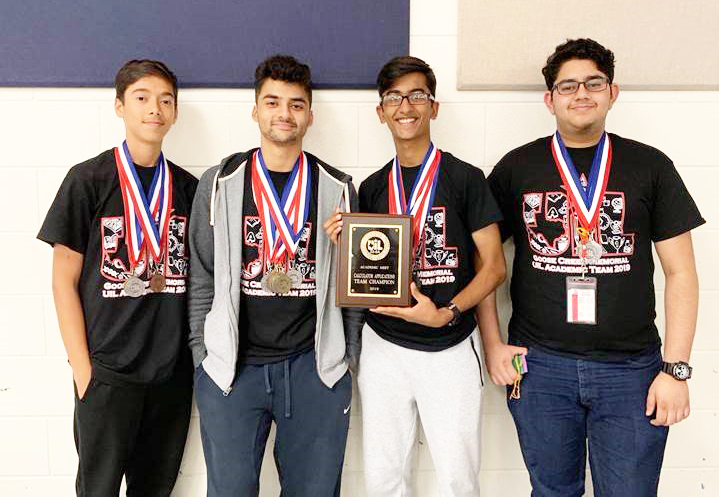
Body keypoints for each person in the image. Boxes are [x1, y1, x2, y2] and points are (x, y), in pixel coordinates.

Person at [482, 38, 704, 496]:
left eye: (593, 83)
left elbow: (682, 273)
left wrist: (676, 370)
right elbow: (485, 265)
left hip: (631, 370)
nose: (580, 94)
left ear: (612, 92)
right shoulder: (517, 168)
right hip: (540, 367)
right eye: (567, 86)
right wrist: (493, 345)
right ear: (550, 100)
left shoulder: (650, 165)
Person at [325, 55, 507, 496]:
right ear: (381, 111)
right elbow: (366, 269)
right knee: (385, 476)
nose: (405, 106)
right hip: (383, 345)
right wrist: (341, 243)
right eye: (394, 98)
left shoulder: (466, 178)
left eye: (417, 95)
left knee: (457, 476)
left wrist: (446, 312)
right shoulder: (370, 187)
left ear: (434, 106)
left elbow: (495, 267)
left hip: (449, 344)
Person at [187, 54, 363, 497]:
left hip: (314, 369)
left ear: (309, 116)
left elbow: (357, 285)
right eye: (272, 102)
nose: (284, 113)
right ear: (255, 110)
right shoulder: (220, 182)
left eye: (296, 104)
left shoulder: (338, 188)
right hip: (234, 370)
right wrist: (204, 359)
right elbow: (203, 275)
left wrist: (346, 360)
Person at [37, 59, 196, 496]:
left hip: (169, 377)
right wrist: (84, 370)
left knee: (156, 490)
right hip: (107, 374)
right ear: (119, 106)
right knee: (98, 490)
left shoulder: (188, 188)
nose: (155, 110)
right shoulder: (87, 180)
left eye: (166, 101)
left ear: (175, 112)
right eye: (142, 98)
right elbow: (62, 281)